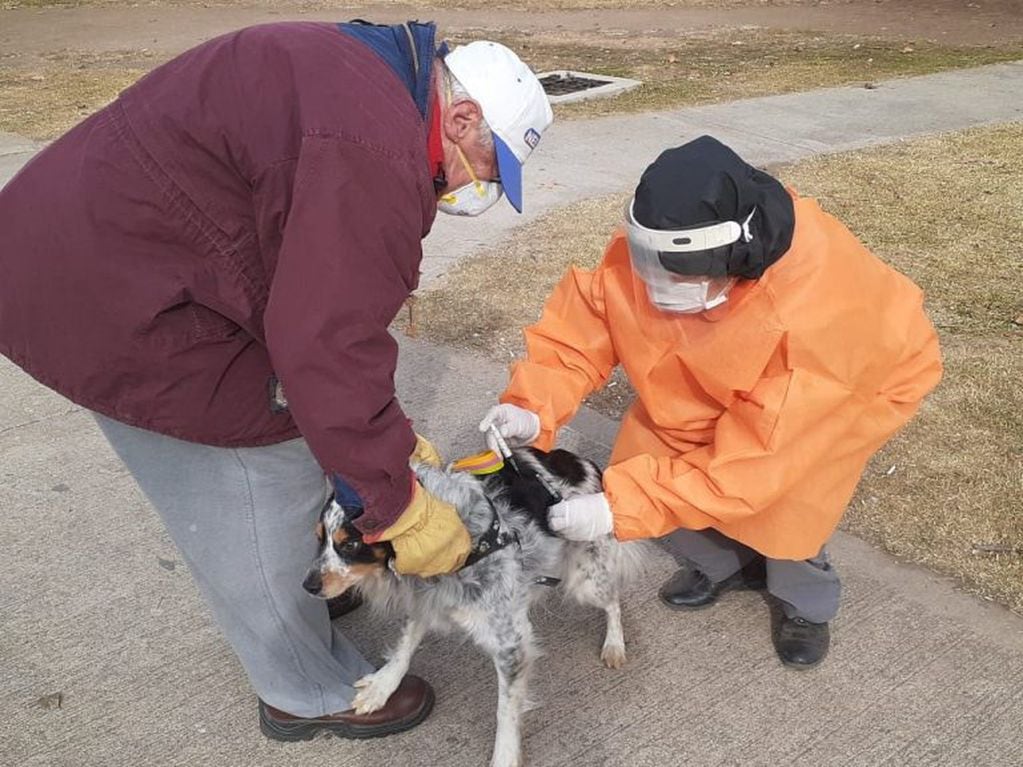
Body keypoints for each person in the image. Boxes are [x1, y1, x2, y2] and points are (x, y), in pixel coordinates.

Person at [0, 20, 552, 739]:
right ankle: (304, 686)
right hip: (105, 295)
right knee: (258, 461)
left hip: (103, 248)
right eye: (484, 164)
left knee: (314, 422)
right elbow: (326, 342)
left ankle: (321, 574)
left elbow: (301, 282)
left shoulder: (371, 78)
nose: (471, 187)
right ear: (461, 117)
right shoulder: (372, 153)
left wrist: (381, 442)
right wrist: (393, 506)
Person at [480, 135, 942, 670]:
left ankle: (804, 603)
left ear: (737, 262)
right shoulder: (664, 243)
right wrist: (534, 406)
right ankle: (728, 565)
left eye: (676, 278)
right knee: (653, 466)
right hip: (709, 374)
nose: (652, 289)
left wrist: (617, 508)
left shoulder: (823, 315)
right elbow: (585, 325)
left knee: (786, 503)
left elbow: (762, 459)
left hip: (840, 391)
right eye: (648, 270)